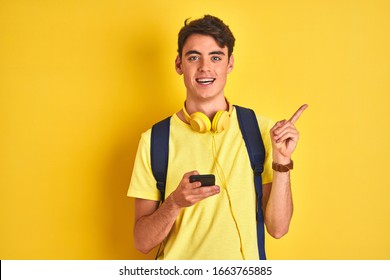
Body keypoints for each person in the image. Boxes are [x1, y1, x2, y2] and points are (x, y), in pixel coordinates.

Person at [127, 15, 307, 260]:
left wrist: (282, 161)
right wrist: (175, 203)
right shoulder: (155, 140)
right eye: (193, 57)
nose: (205, 67)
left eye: (215, 57)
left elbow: (278, 229)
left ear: (229, 63)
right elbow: (142, 242)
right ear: (179, 64)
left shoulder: (259, 130)